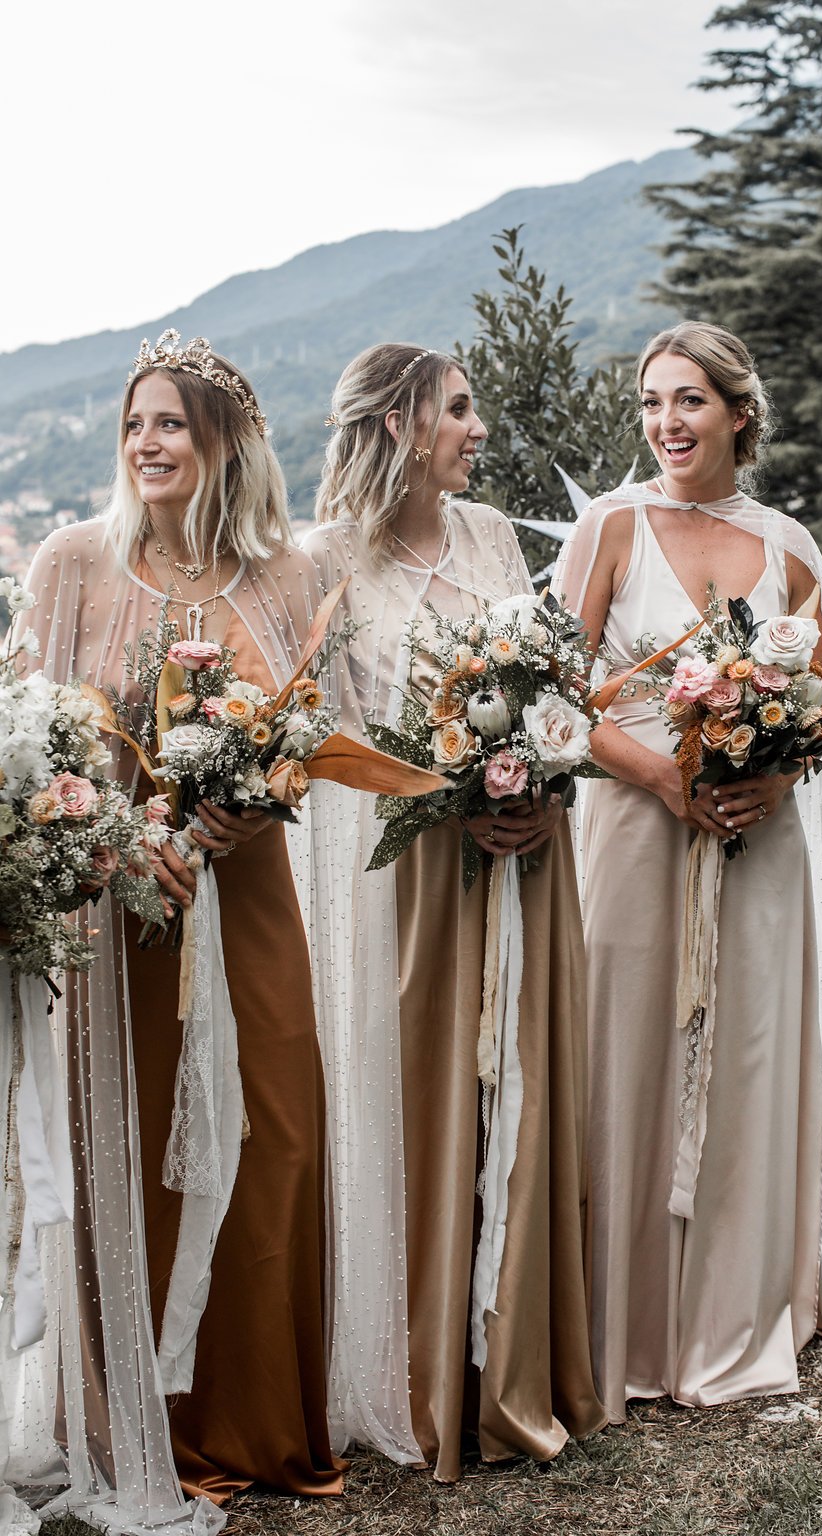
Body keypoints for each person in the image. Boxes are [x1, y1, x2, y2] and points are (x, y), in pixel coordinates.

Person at [555, 320, 822, 1424]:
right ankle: (624, 1330)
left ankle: (734, 1319)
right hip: (635, 836)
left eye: (688, 401)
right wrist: (667, 780)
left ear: (738, 412)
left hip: (758, 846)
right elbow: (558, 698)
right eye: (650, 403)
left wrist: (769, 784)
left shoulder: (789, 548)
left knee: (745, 1065)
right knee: (624, 1061)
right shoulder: (610, 528)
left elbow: (818, 715)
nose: (666, 424)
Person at [17, 331, 344, 1526]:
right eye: (136, 423)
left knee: (277, 1138)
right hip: (121, 913)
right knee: (135, 1150)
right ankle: (137, 1422)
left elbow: (313, 742)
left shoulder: (288, 577)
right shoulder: (70, 565)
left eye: (173, 424)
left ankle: (262, 1422)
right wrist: (118, 831)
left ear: (225, 445)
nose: (149, 444)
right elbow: (34, 737)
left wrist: (230, 818)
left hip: (247, 901)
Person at [300, 343, 605, 1482]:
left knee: (521, 1106)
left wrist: (535, 780)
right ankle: (428, 1375)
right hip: (410, 885)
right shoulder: (320, 561)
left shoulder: (486, 538)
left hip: (526, 862)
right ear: (393, 427)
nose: (479, 429)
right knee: (420, 1113)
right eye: (458, 411)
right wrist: (444, 793)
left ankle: (522, 1366)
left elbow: (546, 685)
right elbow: (319, 750)